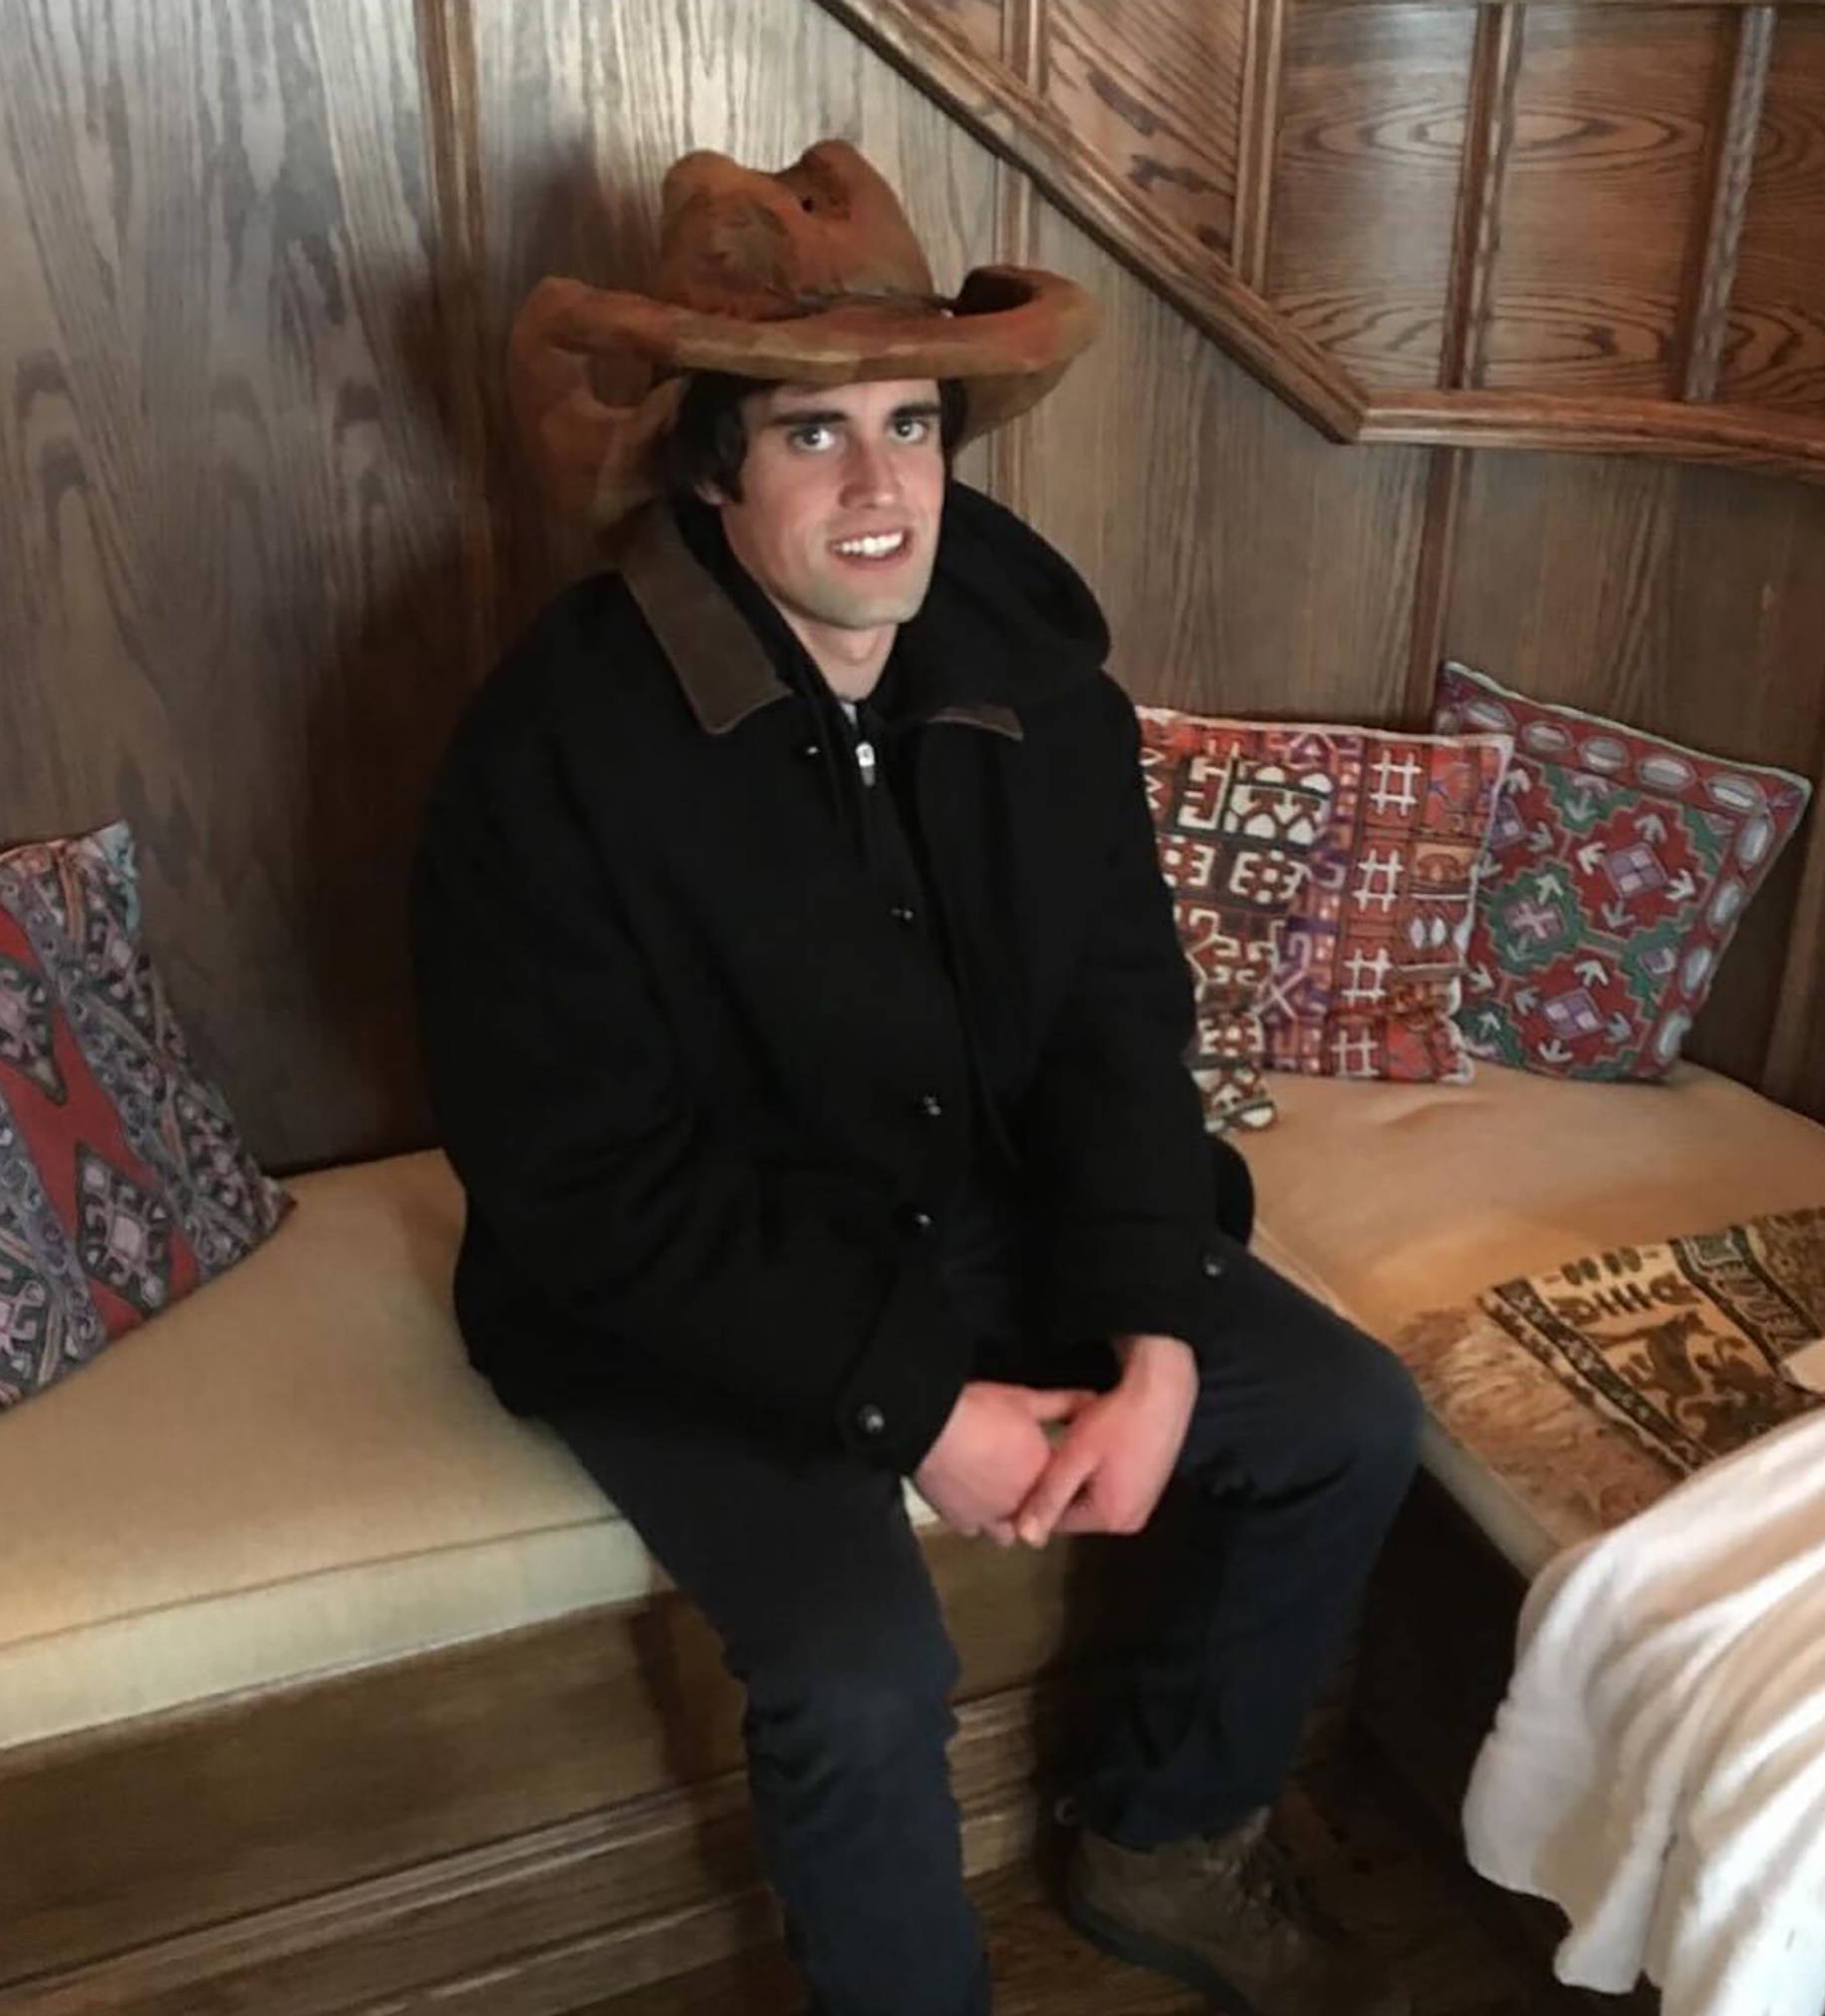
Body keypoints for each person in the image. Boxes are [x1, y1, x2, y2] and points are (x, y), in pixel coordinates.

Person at [410, 139, 1422, 2016]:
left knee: (1350, 1419)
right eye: (811, 436)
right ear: (711, 469)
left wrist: (1153, 1326)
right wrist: (920, 1404)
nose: (882, 488)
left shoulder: (1039, 682)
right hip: (702, 1296)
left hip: (994, 1214)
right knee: (864, 1674)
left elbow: (1124, 1018)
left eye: (913, 425)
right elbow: (591, 1194)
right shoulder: (550, 753)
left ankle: (1166, 1835)